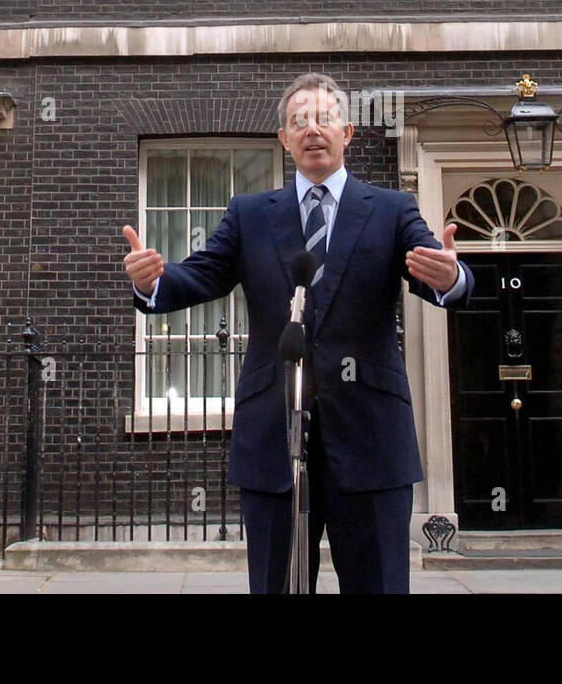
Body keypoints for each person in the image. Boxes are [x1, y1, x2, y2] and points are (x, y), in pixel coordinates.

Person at [121, 72, 474, 593]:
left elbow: (437, 273)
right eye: (298, 121)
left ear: (347, 132)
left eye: (324, 119)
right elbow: (200, 275)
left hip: (371, 436)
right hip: (273, 435)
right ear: (284, 139)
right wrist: (154, 280)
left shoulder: (392, 210)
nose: (313, 130)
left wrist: (452, 276)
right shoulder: (250, 215)